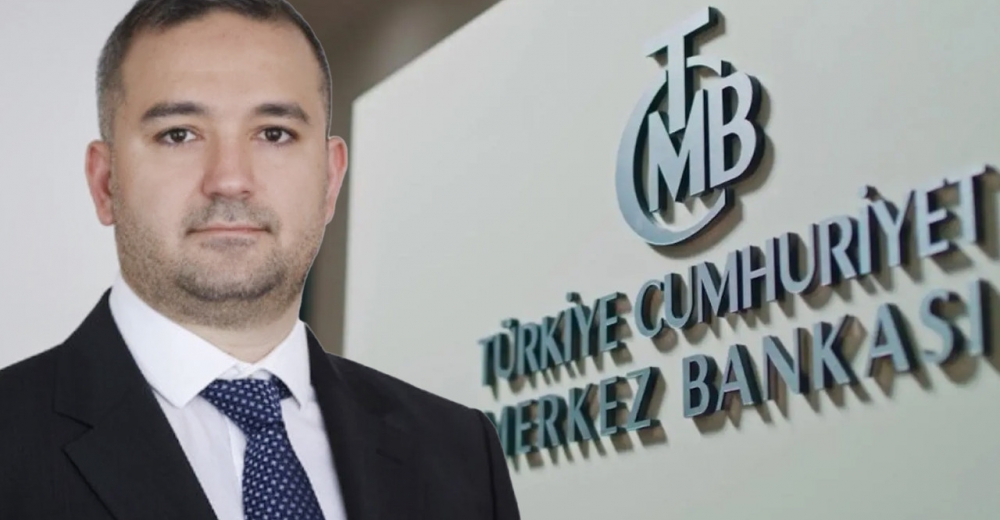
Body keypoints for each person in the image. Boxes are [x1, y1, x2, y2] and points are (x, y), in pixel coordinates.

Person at [0, 1, 519, 519]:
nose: (230, 179)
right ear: (105, 182)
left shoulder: (461, 451)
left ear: (330, 179)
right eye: (179, 134)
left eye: (274, 133)